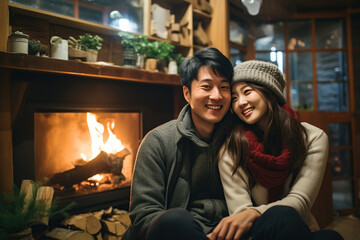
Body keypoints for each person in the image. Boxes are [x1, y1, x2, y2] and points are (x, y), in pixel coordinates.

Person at [208, 60, 343, 240]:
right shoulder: (232, 146)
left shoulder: (313, 138)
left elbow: (300, 201)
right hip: (254, 234)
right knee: (282, 216)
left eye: (247, 92)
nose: (240, 102)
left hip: (295, 228)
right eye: (234, 98)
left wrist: (255, 213)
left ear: (270, 92)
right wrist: (254, 215)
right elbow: (240, 213)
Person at [122, 47, 234, 240]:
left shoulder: (238, 138)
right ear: (187, 94)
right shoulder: (158, 140)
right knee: (176, 220)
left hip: (224, 231)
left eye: (224, 87)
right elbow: (143, 215)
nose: (216, 96)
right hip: (175, 232)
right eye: (206, 87)